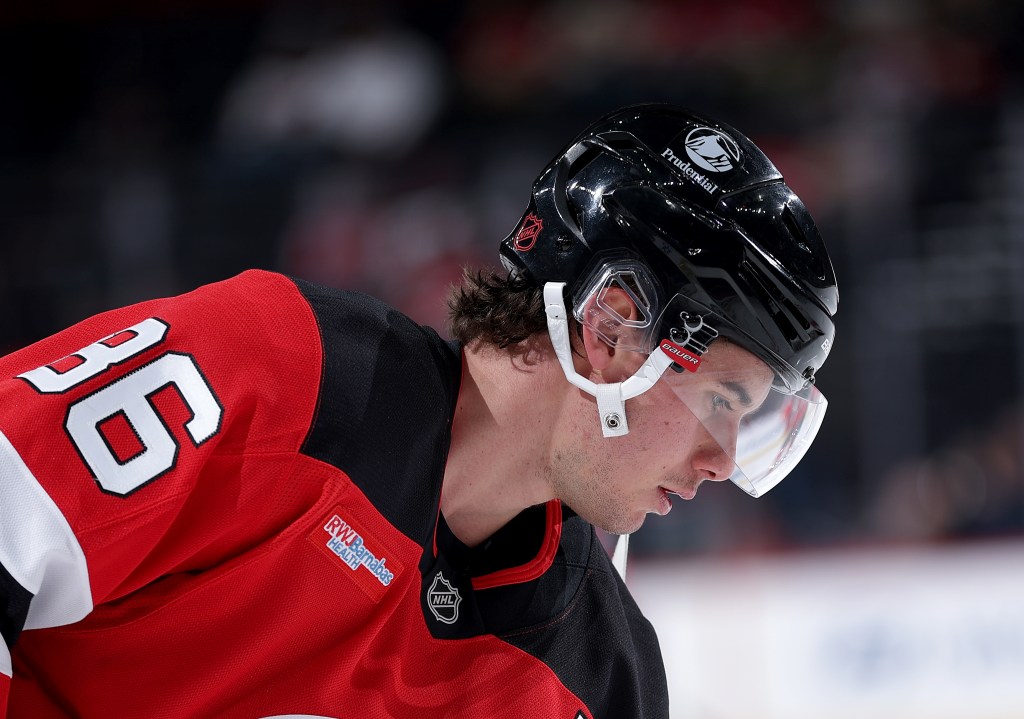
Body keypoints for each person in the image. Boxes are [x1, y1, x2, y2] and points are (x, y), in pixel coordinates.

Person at [0, 103, 838, 718]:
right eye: (722, 400)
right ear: (613, 325)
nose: (725, 457)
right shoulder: (276, 373)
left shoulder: (601, 677)